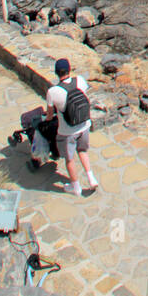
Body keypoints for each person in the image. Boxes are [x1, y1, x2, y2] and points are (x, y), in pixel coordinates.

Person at [45, 59, 98, 196]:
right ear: (69, 69)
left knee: (69, 159)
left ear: (56, 72)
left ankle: (76, 187)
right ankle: (91, 178)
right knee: (83, 151)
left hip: (67, 131)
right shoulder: (80, 80)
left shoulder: (53, 92)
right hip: (84, 124)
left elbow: (50, 116)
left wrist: (47, 119)